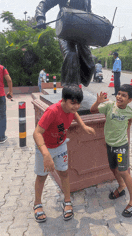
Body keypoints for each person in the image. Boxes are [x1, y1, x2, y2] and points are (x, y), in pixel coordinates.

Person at [33, 84, 95, 222]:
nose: (76, 106)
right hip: (44, 147)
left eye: (78, 103)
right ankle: (37, 204)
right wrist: (45, 154)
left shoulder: (71, 109)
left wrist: (83, 126)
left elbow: (74, 113)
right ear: (63, 100)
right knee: (42, 176)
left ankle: (67, 201)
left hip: (60, 145)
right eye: (72, 103)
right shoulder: (52, 111)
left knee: (64, 173)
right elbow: (36, 133)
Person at [35, 0, 95, 87]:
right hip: (65, 33)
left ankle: (78, 83)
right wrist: (40, 17)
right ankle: (69, 90)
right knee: (71, 56)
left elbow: (90, 17)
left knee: (90, 64)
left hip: (81, 35)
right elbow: (43, 3)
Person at [90, 84, 132, 217]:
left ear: (130, 100)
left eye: (124, 95)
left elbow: (131, 120)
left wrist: (126, 128)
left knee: (123, 170)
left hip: (121, 146)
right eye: (118, 93)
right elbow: (93, 110)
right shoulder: (109, 106)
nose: (119, 97)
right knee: (113, 168)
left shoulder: (130, 111)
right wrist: (98, 101)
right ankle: (121, 186)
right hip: (110, 144)